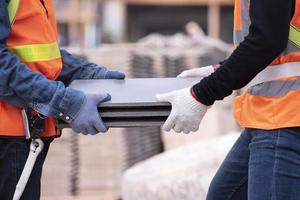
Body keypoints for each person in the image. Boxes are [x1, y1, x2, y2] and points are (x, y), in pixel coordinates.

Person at [157, 0, 300, 199]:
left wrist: (201, 94)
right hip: (276, 113)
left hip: (283, 115)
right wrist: (220, 70)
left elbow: (267, 40)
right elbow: (277, 35)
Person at [0, 0, 125, 199]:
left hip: (21, 134)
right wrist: (66, 103)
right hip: (7, 137)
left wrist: (87, 72)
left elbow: (37, 55)